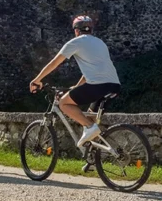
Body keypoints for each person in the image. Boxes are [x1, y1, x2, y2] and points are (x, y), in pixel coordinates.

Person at [30, 14, 121, 147]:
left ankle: (90, 127)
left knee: (63, 104)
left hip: (97, 86)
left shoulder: (76, 42)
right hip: (114, 86)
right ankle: (92, 160)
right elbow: (91, 72)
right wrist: (76, 87)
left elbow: (55, 62)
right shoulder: (100, 43)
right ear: (91, 29)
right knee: (90, 118)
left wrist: (37, 79)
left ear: (76, 30)